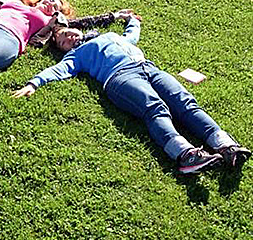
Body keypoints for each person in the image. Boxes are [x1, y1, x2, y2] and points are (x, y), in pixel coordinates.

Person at [13, 14, 251, 175]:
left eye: (67, 33)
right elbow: (58, 70)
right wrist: (34, 83)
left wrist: (132, 20)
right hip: (120, 78)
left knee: (185, 103)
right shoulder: (77, 55)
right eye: (63, 42)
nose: (69, 38)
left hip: (149, 68)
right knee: (155, 108)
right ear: (64, 50)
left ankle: (225, 146)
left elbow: (132, 36)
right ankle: (185, 155)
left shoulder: (109, 36)